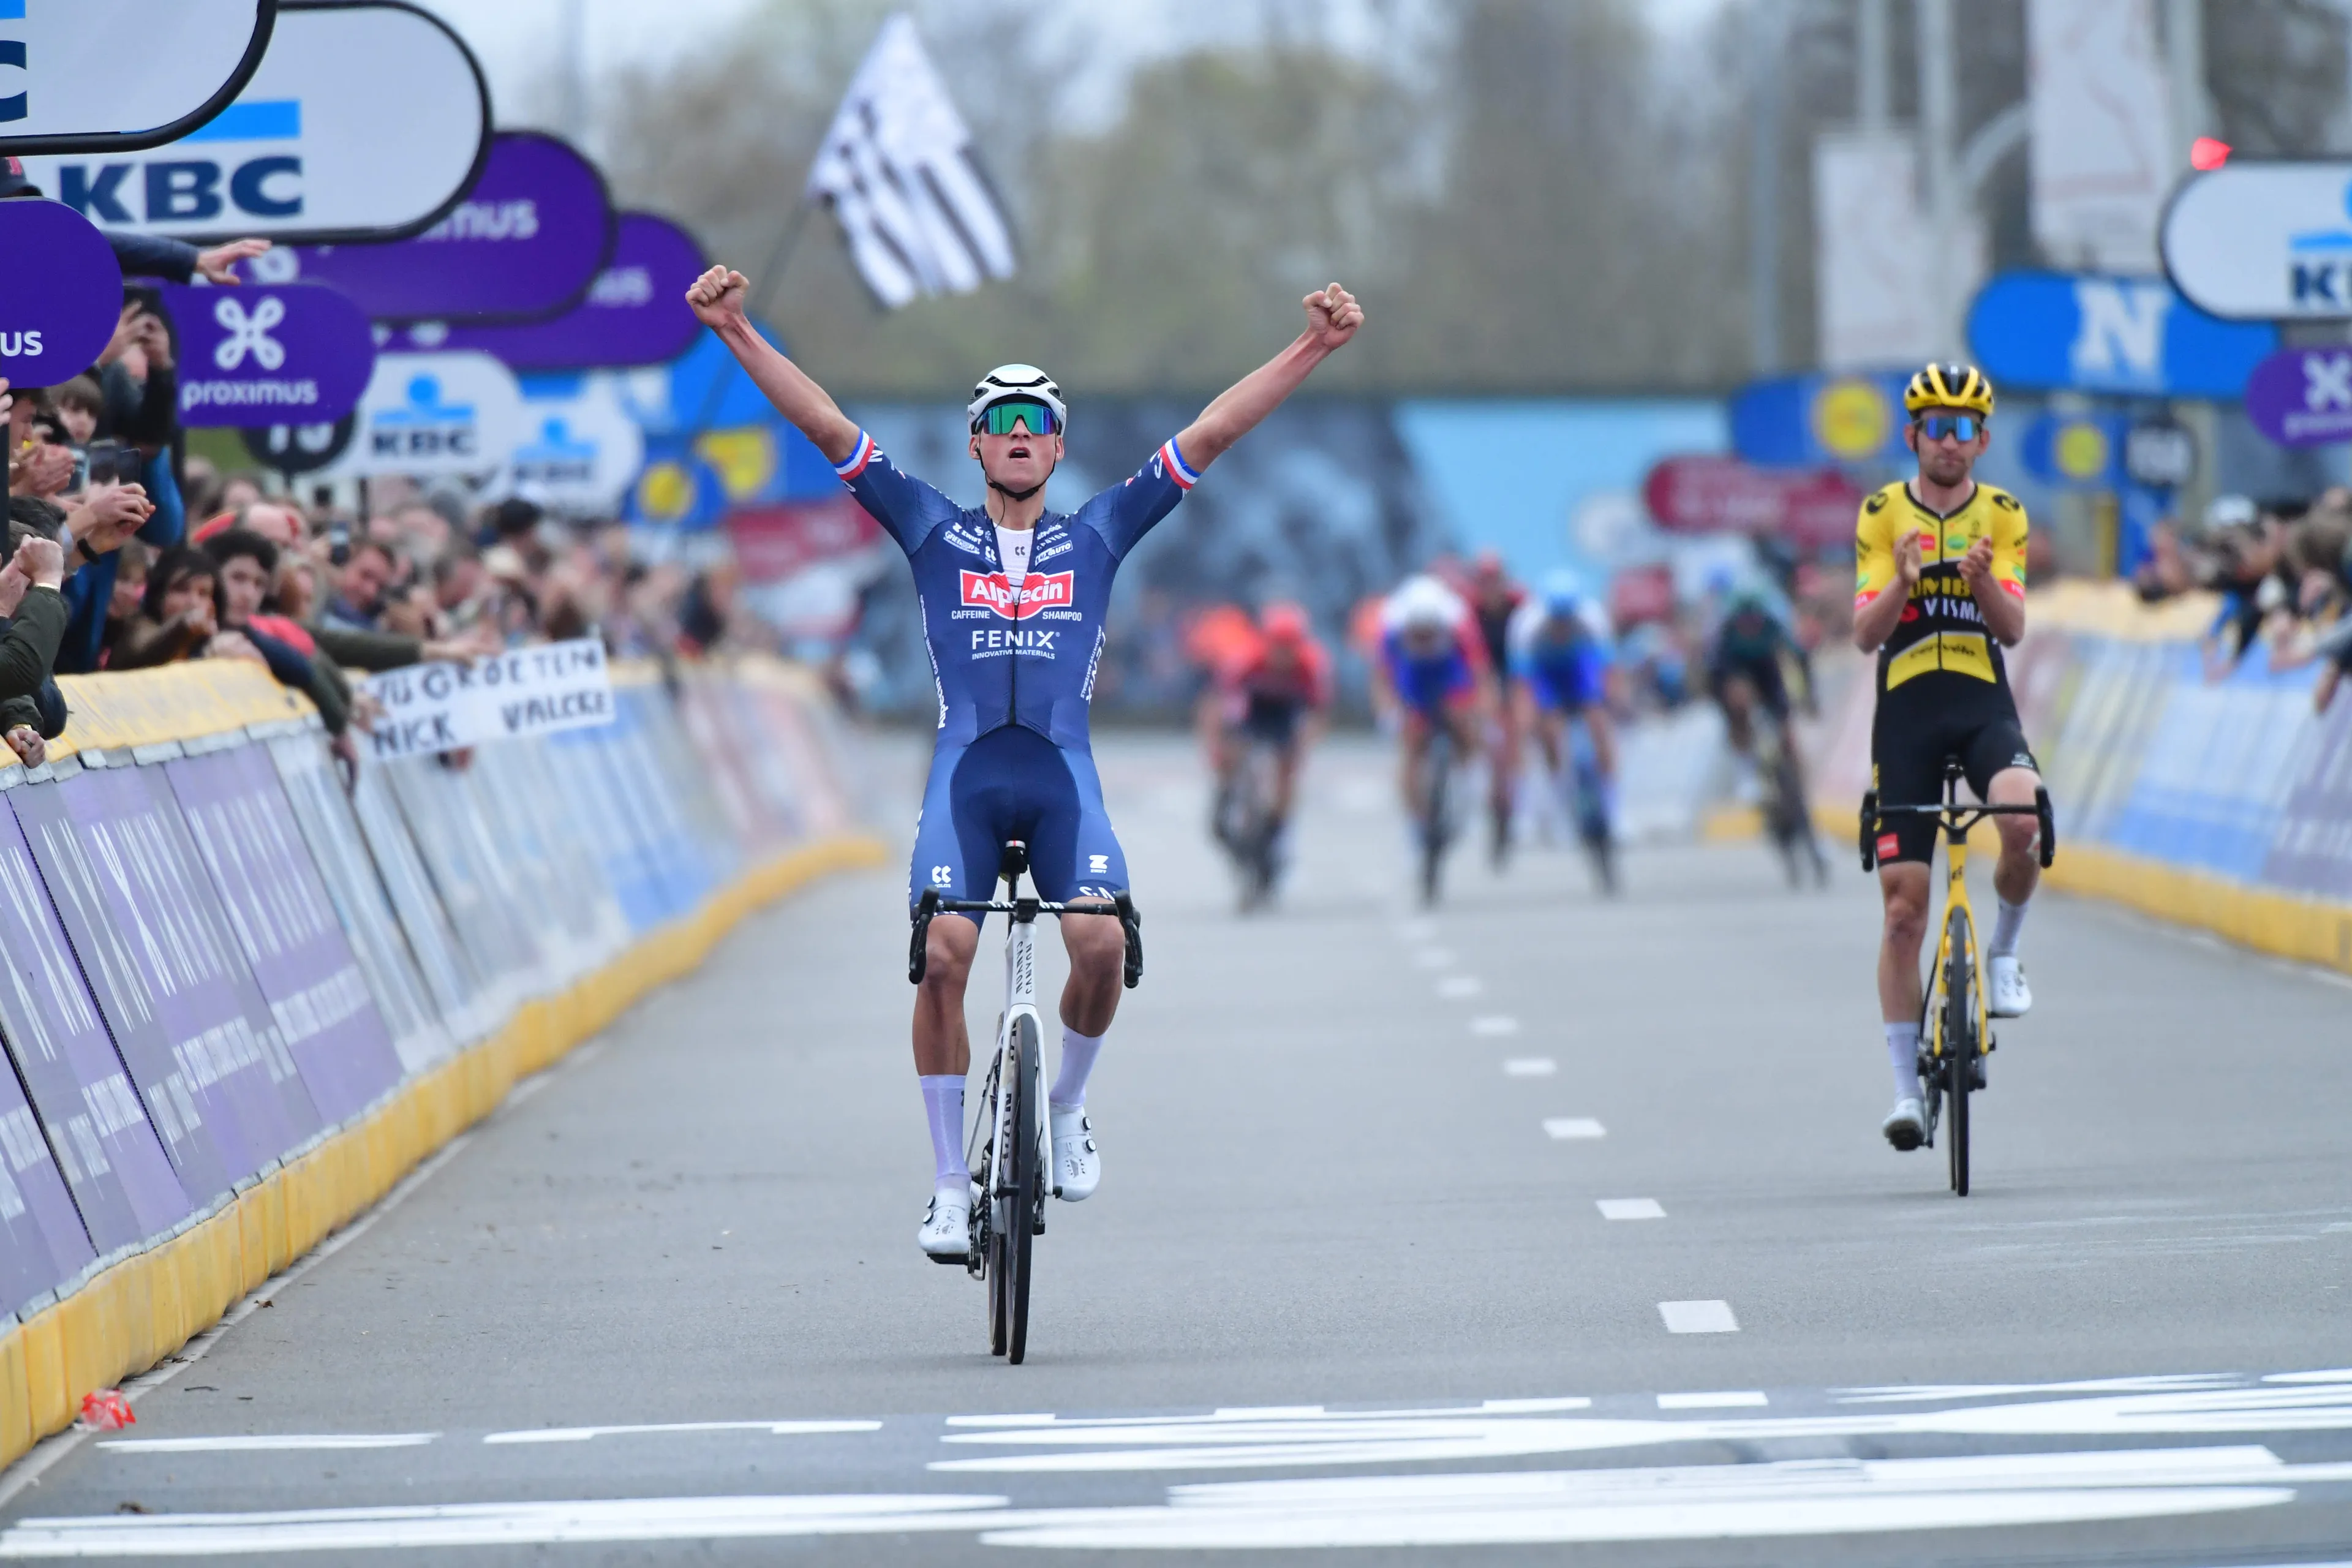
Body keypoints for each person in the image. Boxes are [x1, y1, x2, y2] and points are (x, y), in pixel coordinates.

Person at [684, 263, 1365, 1261]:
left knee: (1097, 950)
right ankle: (951, 1186)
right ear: (975, 442)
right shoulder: (928, 527)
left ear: (1055, 445)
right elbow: (827, 427)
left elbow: (1212, 435)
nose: (1017, 429)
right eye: (998, 415)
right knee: (946, 959)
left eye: (1035, 419)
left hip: (1061, 779)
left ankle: (1065, 1108)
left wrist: (1313, 346)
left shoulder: (1098, 532)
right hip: (966, 776)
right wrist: (735, 332)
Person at [1853, 363, 2043, 1152]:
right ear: (1913, 437)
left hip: (1978, 700)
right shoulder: (1879, 511)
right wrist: (1901, 583)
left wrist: (1980, 583)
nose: (1951, 443)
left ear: (1983, 441)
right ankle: (1905, 1090)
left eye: (1966, 430)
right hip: (1907, 710)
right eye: (1938, 427)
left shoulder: (2003, 514)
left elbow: (2013, 629)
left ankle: (2002, 952)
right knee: (1903, 912)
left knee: (2024, 817)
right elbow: (1866, 635)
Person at [1202, 601, 1333, 889]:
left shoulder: (1310, 665)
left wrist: (1302, 749)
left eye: (1290, 648)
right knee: (1232, 749)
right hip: (1252, 711)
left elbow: (1317, 714)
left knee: (1288, 767)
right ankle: (1227, 793)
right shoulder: (1247, 660)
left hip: (1284, 714)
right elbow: (1216, 706)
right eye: (1278, 646)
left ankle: (1276, 826)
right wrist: (1217, 751)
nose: (1283, 655)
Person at [1371, 573, 1495, 849]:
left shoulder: (1459, 622)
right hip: (1414, 676)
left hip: (1450, 672)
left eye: (1430, 631)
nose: (1425, 637)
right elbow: (1382, 676)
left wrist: (1482, 713)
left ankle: (1467, 782)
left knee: (1462, 721)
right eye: (1419, 632)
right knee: (1411, 747)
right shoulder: (1392, 625)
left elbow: (1480, 673)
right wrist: (1387, 712)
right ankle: (1415, 823)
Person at [1507, 571, 1618, 847]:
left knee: (1599, 723)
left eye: (1567, 618)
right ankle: (1562, 800)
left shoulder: (1593, 618)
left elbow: (1609, 671)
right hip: (1545, 674)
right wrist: (1527, 721)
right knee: (1550, 730)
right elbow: (1523, 686)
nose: (1562, 625)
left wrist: (1613, 705)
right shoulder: (1527, 625)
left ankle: (1613, 807)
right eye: (1556, 618)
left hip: (1579, 668)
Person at [1464, 549, 1528, 865]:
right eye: (1484, 582)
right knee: (1488, 736)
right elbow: (1471, 658)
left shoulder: (1522, 604)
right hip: (1482, 672)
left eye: (1495, 581)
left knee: (1518, 730)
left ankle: (1515, 797)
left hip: (1518, 670)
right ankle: (1490, 795)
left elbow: (1530, 651)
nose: (1490, 588)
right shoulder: (1468, 609)